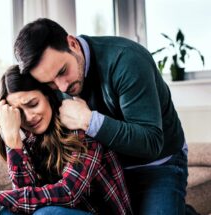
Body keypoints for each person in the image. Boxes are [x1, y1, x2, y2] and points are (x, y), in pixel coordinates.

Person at [13, 18, 188, 214]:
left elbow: (151, 143)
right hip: (107, 172)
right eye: (50, 83)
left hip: (158, 164)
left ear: (72, 44)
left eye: (63, 71)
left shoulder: (127, 59)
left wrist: (88, 120)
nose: (62, 87)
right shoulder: (51, 83)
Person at [0, 65, 132, 215]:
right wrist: (12, 140)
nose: (28, 118)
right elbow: (25, 204)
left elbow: (68, 192)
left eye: (33, 104)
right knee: (7, 212)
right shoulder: (27, 138)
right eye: (19, 113)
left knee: (46, 213)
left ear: (48, 96)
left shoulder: (78, 125)